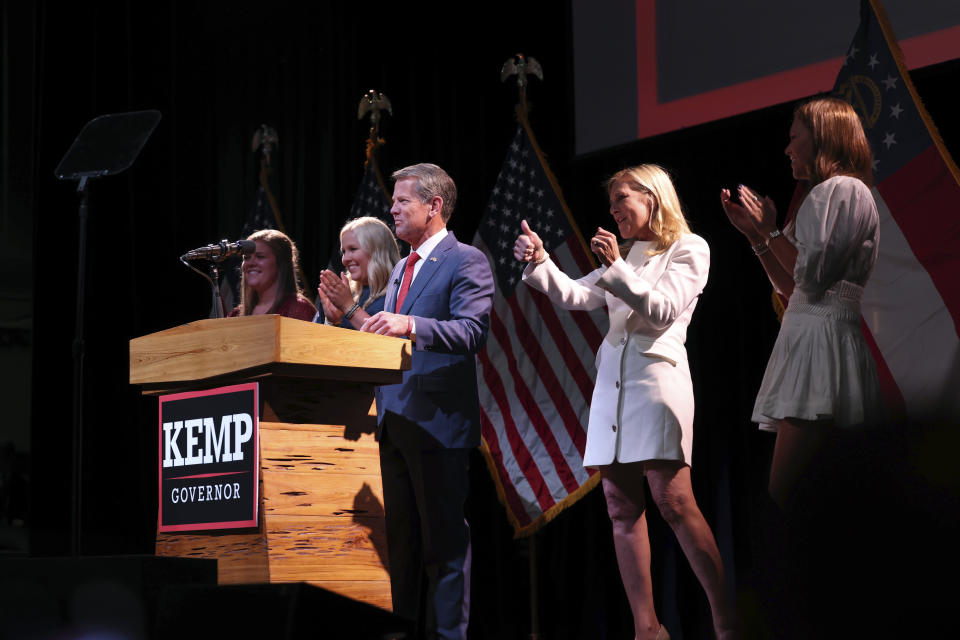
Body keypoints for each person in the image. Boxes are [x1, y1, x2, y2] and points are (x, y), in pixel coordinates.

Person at [515, 165, 735, 640]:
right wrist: (539, 263)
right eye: (611, 203)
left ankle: (726, 619)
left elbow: (660, 310)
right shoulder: (628, 256)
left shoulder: (689, 248)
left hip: (656, 383)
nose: (613, 210)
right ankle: (647, 629)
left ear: (652, 197)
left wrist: (616, 268)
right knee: (619, 506)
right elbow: (576, 295)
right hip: (613, 387)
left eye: (621, 199)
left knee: (673, 500)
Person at [719, 96, 882, 510]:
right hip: (812, 338)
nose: (787, 149)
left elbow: (809, 276)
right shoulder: (823, 195)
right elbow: (791, 289)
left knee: (788, 492)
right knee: (819, 495)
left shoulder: (842, 190)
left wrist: (772, 231)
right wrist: (757, 237)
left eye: (795, 138)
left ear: (822, 137)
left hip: (821, 346)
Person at [360, 163, 494, 639]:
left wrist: (411, 326)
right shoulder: (401, 266)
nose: (391, 209)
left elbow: (472, 331)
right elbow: (383, 333)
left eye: (402, 202)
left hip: (438, 423)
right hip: (394, 422)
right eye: (393, 201)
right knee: (400, 551)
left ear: (434, 206)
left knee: (444, 550)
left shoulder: (466, 260)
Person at [314, 216, 401, 329]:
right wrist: (331, 321)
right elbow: (314, 342)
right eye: (344, 252)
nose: (345, 260)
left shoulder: (400, 294)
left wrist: (348, 306)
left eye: (353, 249)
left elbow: (385, 341)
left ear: (377, 250)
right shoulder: (338, 295)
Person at [228, 228, 316, 321]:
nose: (251, 263)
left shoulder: (298, 309)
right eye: (247, 258)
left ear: (281, 264)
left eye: (260, 256)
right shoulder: (236, 315)